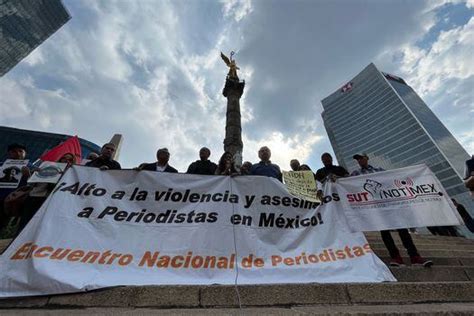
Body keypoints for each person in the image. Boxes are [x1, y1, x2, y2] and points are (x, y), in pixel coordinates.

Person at [351, 153, 433, 267]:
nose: (359, 160)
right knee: (384, 231)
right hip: (375, 206)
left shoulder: (379, 170)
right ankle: (396, 257)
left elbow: (392, 180)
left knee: (402, 228)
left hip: (389, 203)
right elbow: (349, 184)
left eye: (361, 158)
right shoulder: (356, 174)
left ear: (367, 158)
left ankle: (414, 256)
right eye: (357, 159)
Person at [16, 153, 77, 235]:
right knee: (24, 224)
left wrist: (61, 177)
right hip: (32, 197)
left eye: (70, 160)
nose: (66, 160)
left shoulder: (70, 175)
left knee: (37, 226)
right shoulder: (47, 168)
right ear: (60, 159)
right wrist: (32, 175)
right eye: (64, 158)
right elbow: (31, 184)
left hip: (47, 201)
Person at [0, 143, 31, 230]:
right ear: (9, 153)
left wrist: (29, 175)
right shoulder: (1, 165)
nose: (17, 153)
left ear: (25, 154)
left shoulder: (31, 167)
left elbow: (36, 185)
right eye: (14, 151)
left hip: (14, 201)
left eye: (20, 151)